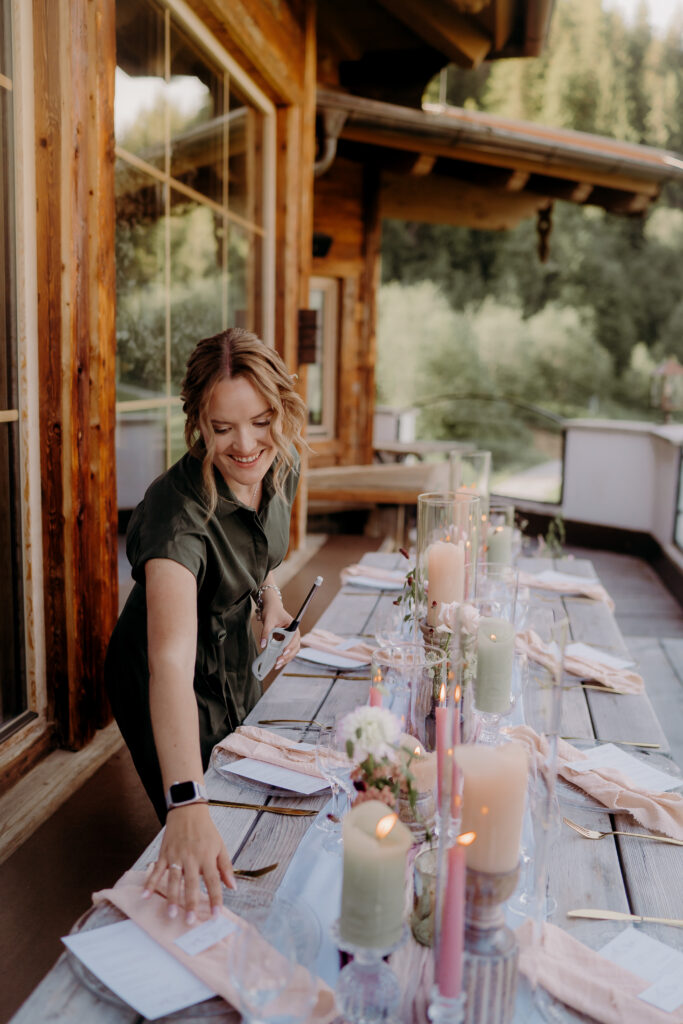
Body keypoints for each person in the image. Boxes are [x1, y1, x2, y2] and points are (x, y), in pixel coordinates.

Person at [105, 327, 307, 923]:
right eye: (222, 429)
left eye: (262, 420)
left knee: (249, 799)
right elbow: (168, 660)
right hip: (159, 673)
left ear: (283, 412)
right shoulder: (176, 518)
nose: (246, 445)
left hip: (229, 655)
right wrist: (185, 801)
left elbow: (258, 555)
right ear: (197, 422)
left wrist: (269, 600)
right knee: (201, 820)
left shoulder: (281, 463)